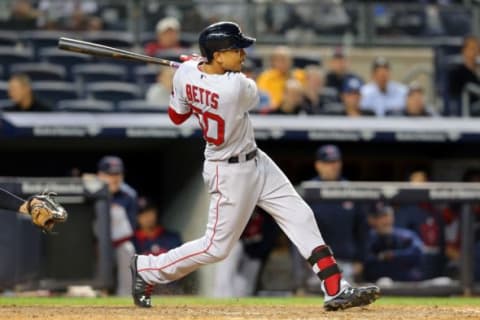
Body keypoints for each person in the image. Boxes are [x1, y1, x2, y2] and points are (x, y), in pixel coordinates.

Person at [130, 21, 379, 311]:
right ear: (218, 56)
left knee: (299, 214)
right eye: (236, 49)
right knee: (216, 247)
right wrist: (196, 68)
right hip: (228, 170)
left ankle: (335, 287)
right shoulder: (236, 88)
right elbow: (249, 90)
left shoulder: (185, 75)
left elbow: (176, 116)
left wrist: (189, 74)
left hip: (255, 159)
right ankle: (147, 267)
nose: (243, 54)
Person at [293, 145, 368, 292]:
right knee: (315, 304)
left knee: (346, 303)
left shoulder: (350, 190)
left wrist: (360, 259)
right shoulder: (308, 191)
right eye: (328, 163)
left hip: (347, 260)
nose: (332, 166)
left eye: (335, 162)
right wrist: (305, 259)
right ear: (318, 165)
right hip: (318, 262)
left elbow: (362, 229)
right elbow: (299, 229)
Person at [213, 207, 278, 297]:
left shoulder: (267, 215)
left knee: (247, 283)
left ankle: (240, 304)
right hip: (237, 243)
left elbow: (269, 237)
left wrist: (260, 252)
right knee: (225, 275)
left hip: (255, 250)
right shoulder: (240, 208)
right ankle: (221, 299)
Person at [97, 156, 138, 296]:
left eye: (118, 174)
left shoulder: (129, 195)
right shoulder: (90, 191)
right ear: (100, 175)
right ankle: (89, 291)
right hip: (94, 243)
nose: (114, 178)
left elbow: (131, 229)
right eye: (110, 174)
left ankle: (125, 295)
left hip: (117, 242)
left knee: (128, 248)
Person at [394, 169, 446, 280]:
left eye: (423, 181)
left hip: (435, 262)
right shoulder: (404, 212)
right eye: (416, 182)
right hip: (414, 264)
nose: (420, 185)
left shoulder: (435, 212)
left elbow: (442, 242)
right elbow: (400, 243)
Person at [364, 202, 424, 283]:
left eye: (387, 216)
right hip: (377, 284)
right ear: (372, 220)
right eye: (380, 217)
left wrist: (393, 255)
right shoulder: (368, 237)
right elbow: (365, 260)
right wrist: (381, 256)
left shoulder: (405, 235)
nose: (385, 220)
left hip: (407, 282)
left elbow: (418, 252)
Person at [256, 46, 306, 110]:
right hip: (274, 112)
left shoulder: (299, 75)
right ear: (273, 62)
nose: (281, 63)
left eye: (284, 59)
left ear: (291, 61)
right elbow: (263, 97)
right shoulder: (266, 77)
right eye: (278, 60)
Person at [446, 36, 480, 116]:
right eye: (472, 48)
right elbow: (454, 98)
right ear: (464, 51)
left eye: (477, 48)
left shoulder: (478, 71)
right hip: (468, 111)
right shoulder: (456, 73)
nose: (475, 51)